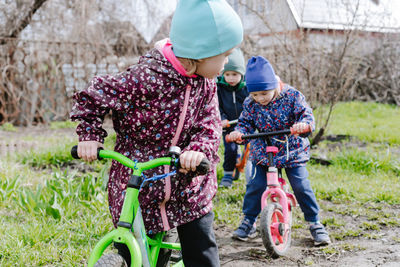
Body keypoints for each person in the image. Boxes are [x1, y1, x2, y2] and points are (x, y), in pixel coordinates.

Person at [70, 0, 243, 266]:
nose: (229, 61)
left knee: (201, 249)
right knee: (133, 251)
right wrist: (90, 135)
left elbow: (208, 124)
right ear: (201, 52)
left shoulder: (207, 85)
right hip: (140, 182)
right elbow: (92, 97)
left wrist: (197, 150)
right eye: (225, 54)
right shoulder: (145, 78)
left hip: (187, 182)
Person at [228, 56, 331, 246]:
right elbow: (245, 123)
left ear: (274, 84)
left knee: (301, 185)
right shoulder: (251, 103)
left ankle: (315, 223)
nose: (260, 98)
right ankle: (249, 221)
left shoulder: (292, 96)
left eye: (264, 93)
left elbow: (306, 114)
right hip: (264, 151)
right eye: (255, 95)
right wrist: (239, 133)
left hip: (292, 149)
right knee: (255, 185)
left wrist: (304, 124)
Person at [217, 47, 249, 188]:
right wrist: (222, 118)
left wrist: (248, 117)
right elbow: (217, 106)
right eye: (227, 74)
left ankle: (243, 164)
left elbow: (251, 104)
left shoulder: (246, 88)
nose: (230, 78)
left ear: (241, 74)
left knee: (251, 148)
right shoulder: (220, 87)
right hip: (228, 125)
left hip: (245, 124)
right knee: (230, 149)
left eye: (235, 74)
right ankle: (228, 174)